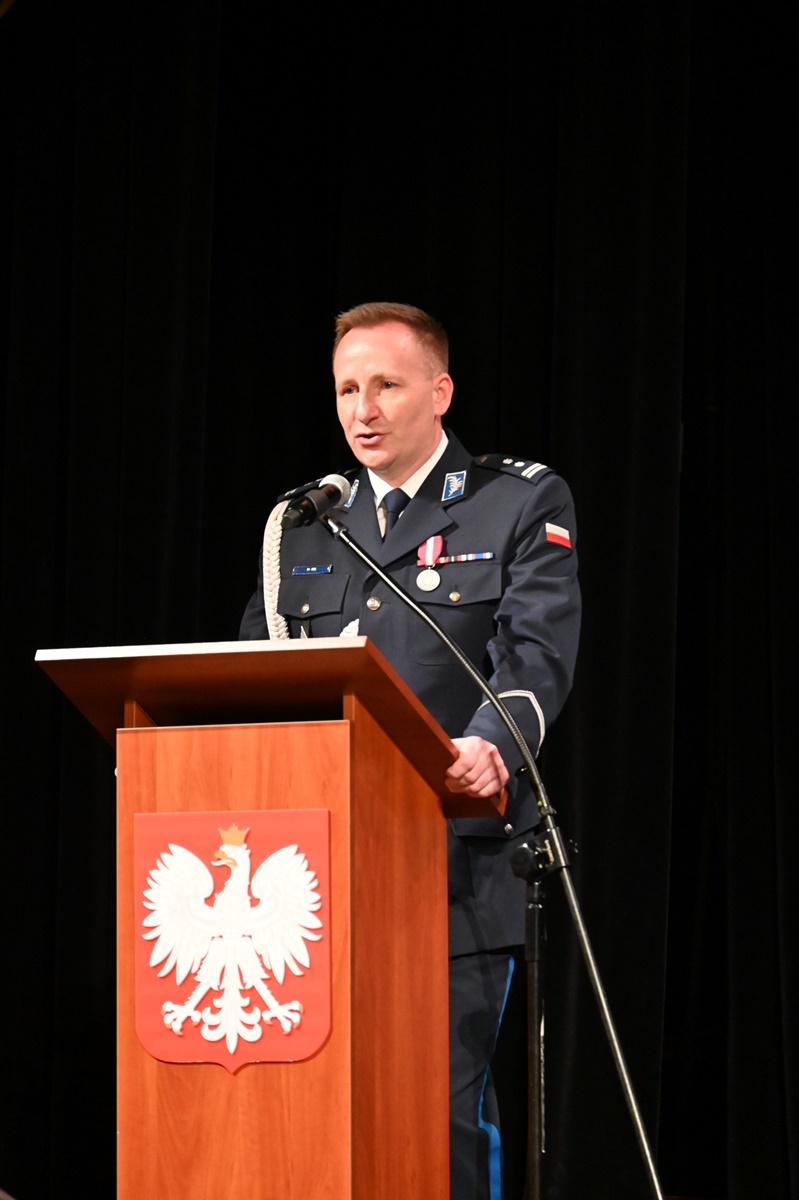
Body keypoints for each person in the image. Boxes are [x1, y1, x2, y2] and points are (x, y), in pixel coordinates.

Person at [240, 301, 580, 1200]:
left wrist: (491, 745)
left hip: (453, 859)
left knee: (436, 1112)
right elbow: (251, 676)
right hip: (311, 866)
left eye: (386, 385)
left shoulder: (516, 500)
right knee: (314, 1106)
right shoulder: (304, 522)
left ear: (440, 391)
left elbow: (534, 653)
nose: (363, 410)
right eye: (346, 389)